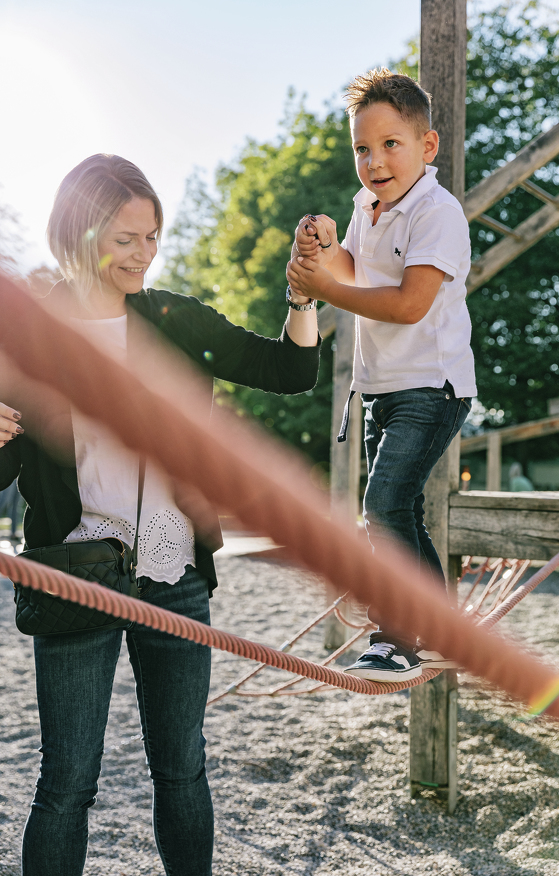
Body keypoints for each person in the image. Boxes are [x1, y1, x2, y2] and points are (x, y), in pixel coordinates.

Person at [0, 153, 320, 876]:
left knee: (182, 771)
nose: (145, 254)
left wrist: (303, 298)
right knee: (66, 785)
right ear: (80, 237)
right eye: (126, 239)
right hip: (73, 579)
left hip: (174, 578)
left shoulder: (173, 317)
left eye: (153, 236)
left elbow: (290, 371)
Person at [287, 68, 476, 682]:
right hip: (381, 388)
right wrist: (329, 245)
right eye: (362, 148)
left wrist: (326, 290)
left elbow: (407, 304)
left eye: (390, 144)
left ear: (428, 146)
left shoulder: (437, 213)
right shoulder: (367, 206)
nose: (374, 161)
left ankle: (398, 634)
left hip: (432, 384)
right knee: (397, 512)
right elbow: (356, 268)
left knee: (384, 503)